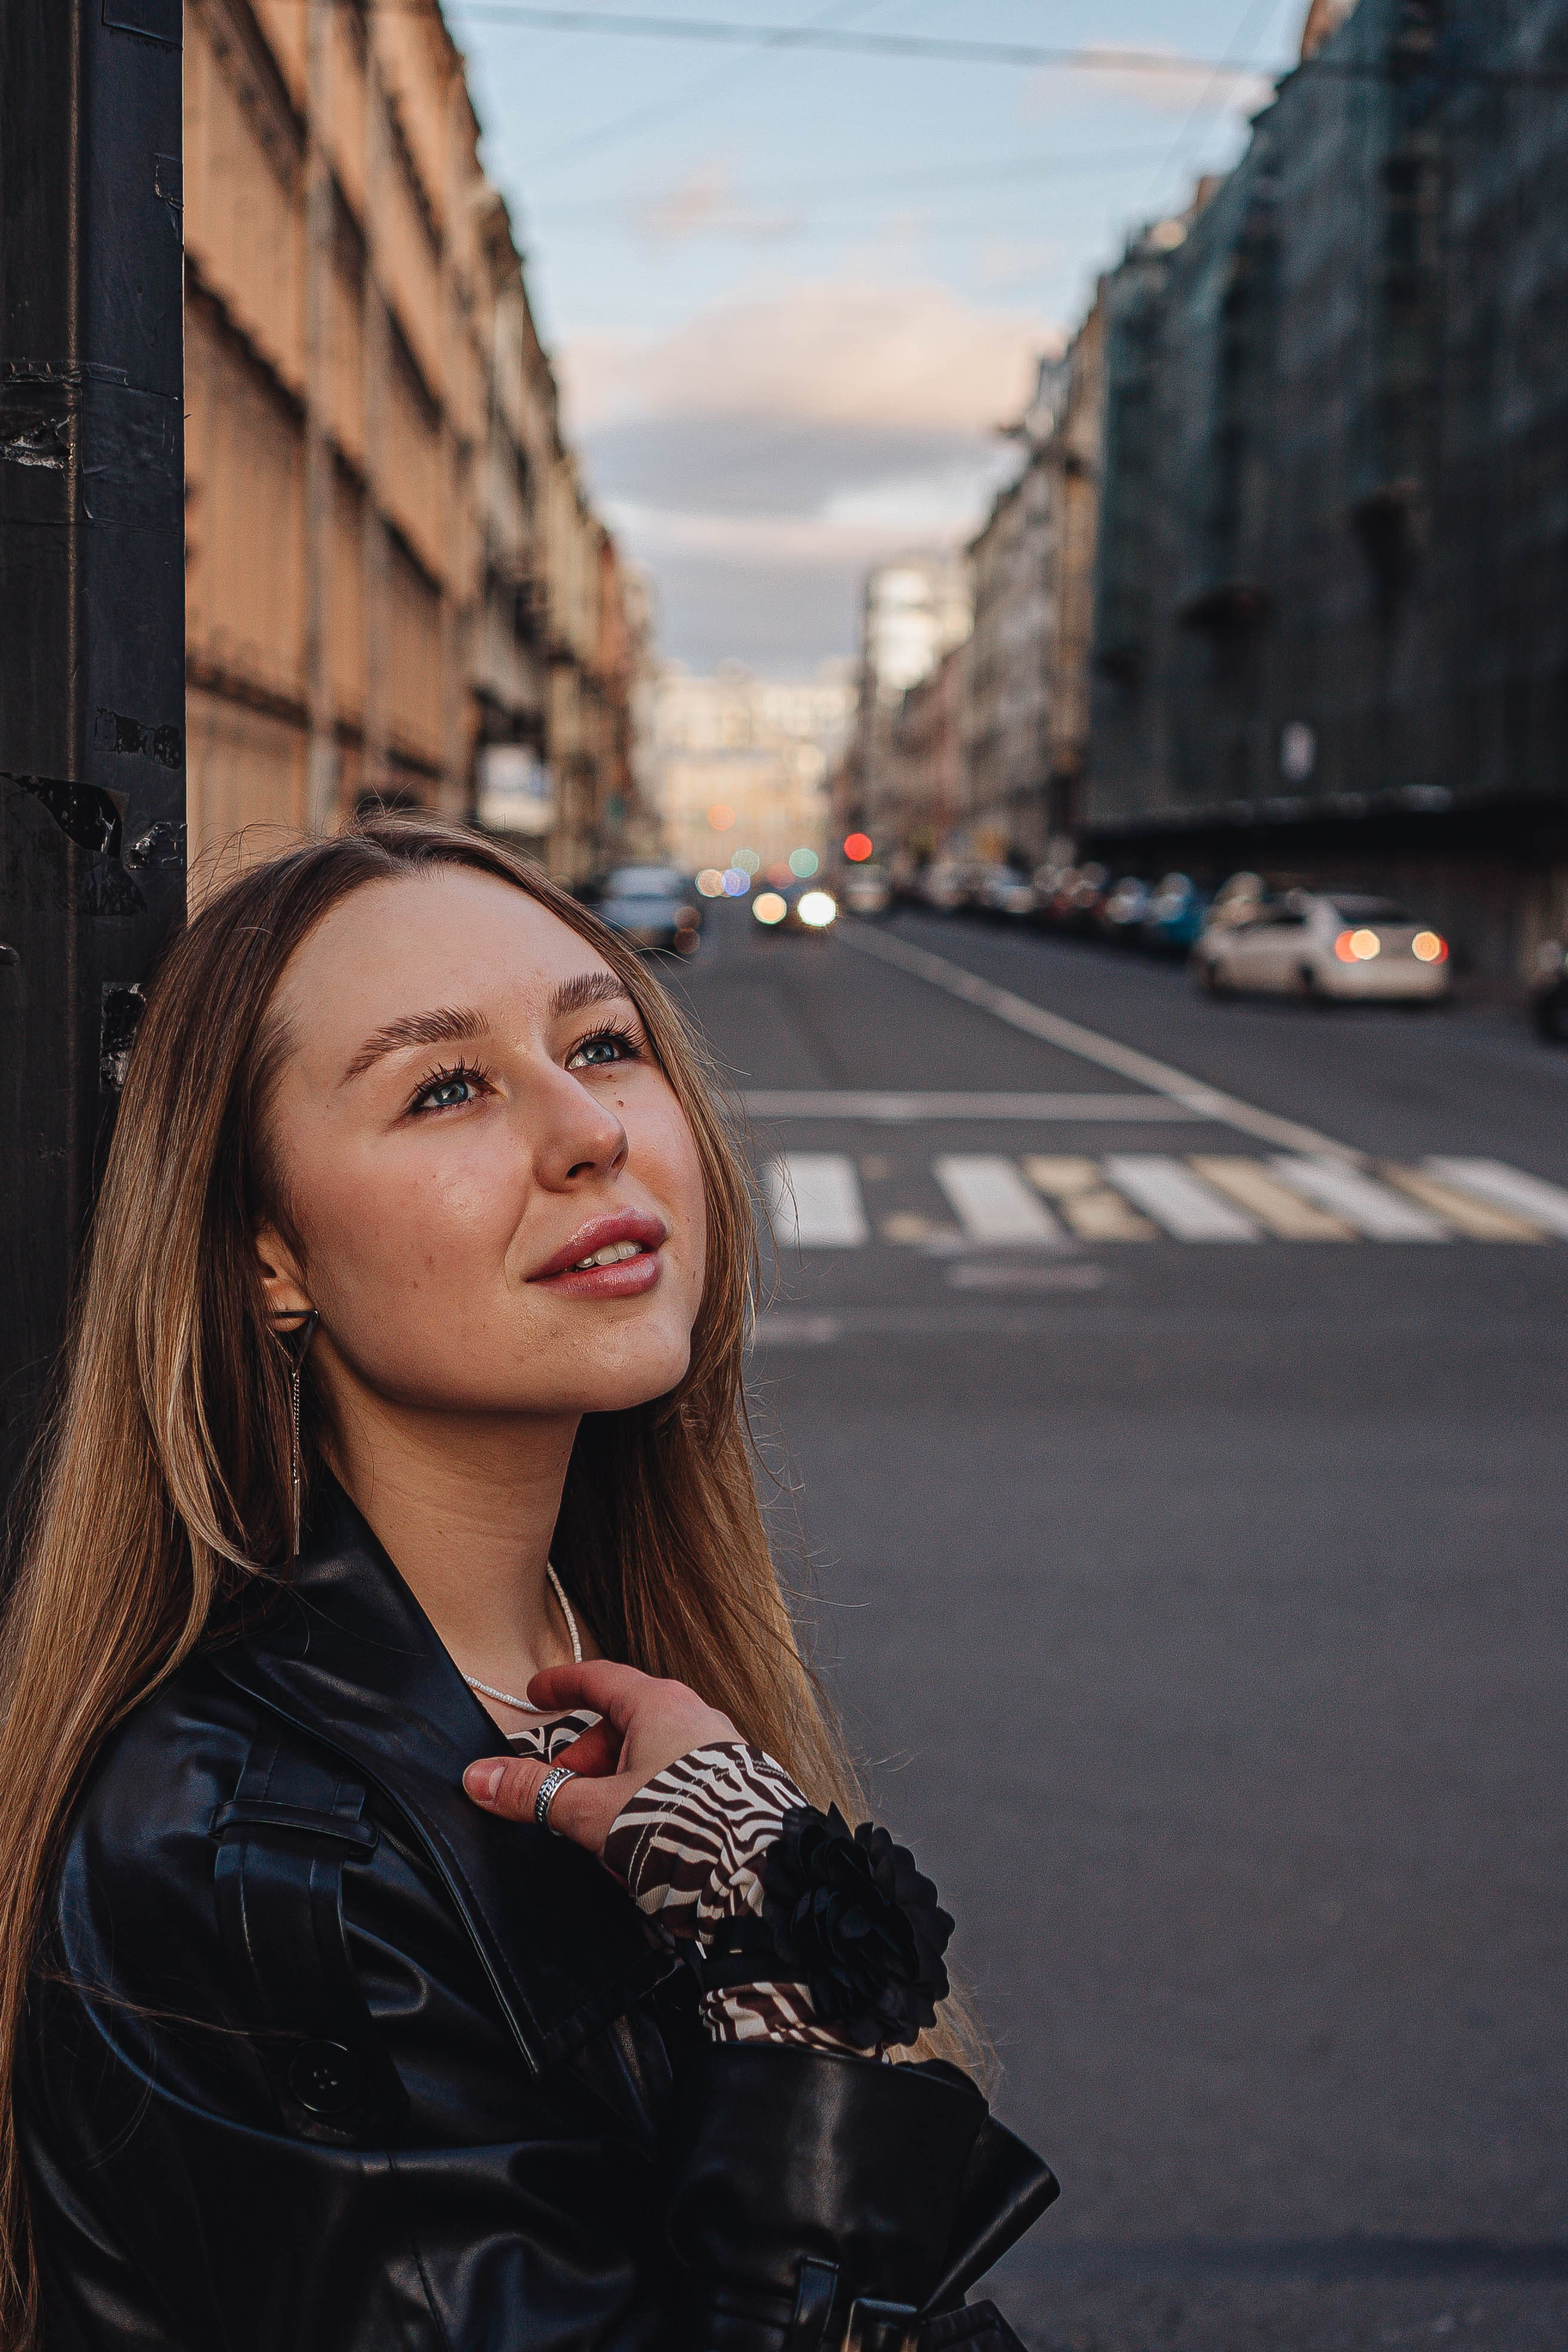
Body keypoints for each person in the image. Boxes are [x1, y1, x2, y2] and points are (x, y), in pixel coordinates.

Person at [0, 816, 1055, 2351]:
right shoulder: (258, 1860)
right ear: (266, 1256)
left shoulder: (605, 1659)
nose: (587, 1131)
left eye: (604, 1044)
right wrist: (791, 1998)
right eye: (445, 1087)